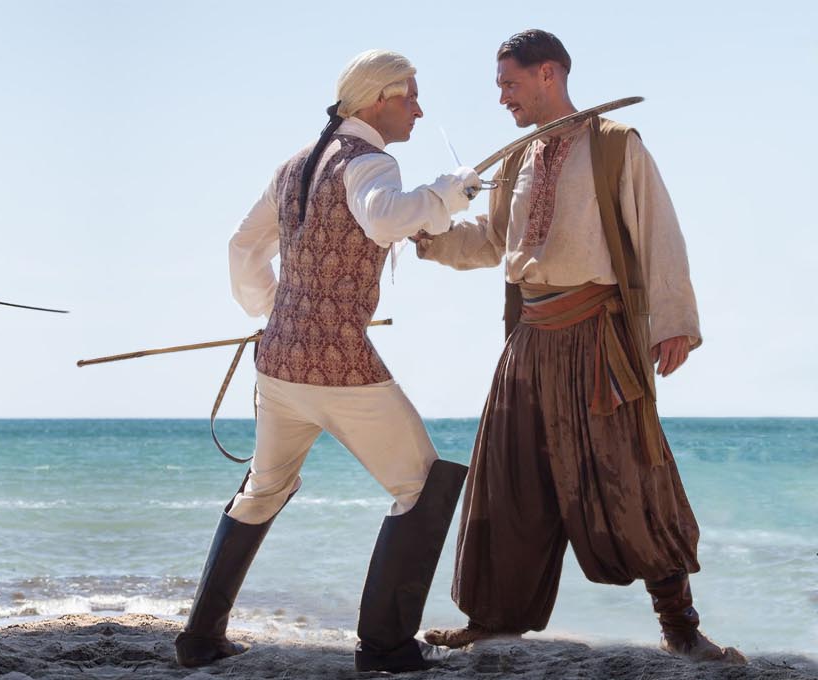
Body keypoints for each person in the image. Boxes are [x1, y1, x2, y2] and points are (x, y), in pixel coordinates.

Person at [412, 30, 740, 664]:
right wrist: (429, 237)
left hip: (597, 342)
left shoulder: (617, 147)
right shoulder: (516, 158)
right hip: (529, 344)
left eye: (509, 83)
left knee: (631, 477)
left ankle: (681, 628)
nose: (502, 97)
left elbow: (658, 232)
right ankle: (490, 620)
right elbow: (491, 242)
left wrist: (674, 323)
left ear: (549, 75)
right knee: (508, 480)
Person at [181, 49, 479, 673]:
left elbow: (243, 245)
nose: (420, 109)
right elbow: (384, 219)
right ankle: (385, 648)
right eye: (412, 97)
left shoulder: (295, 165)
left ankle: (200, 639)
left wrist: (274, 312)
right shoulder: (373, 161)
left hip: (279, 363)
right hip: (341, 368)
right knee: (420, 487)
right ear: (378, 100)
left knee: (264, 487)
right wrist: (448, 194)